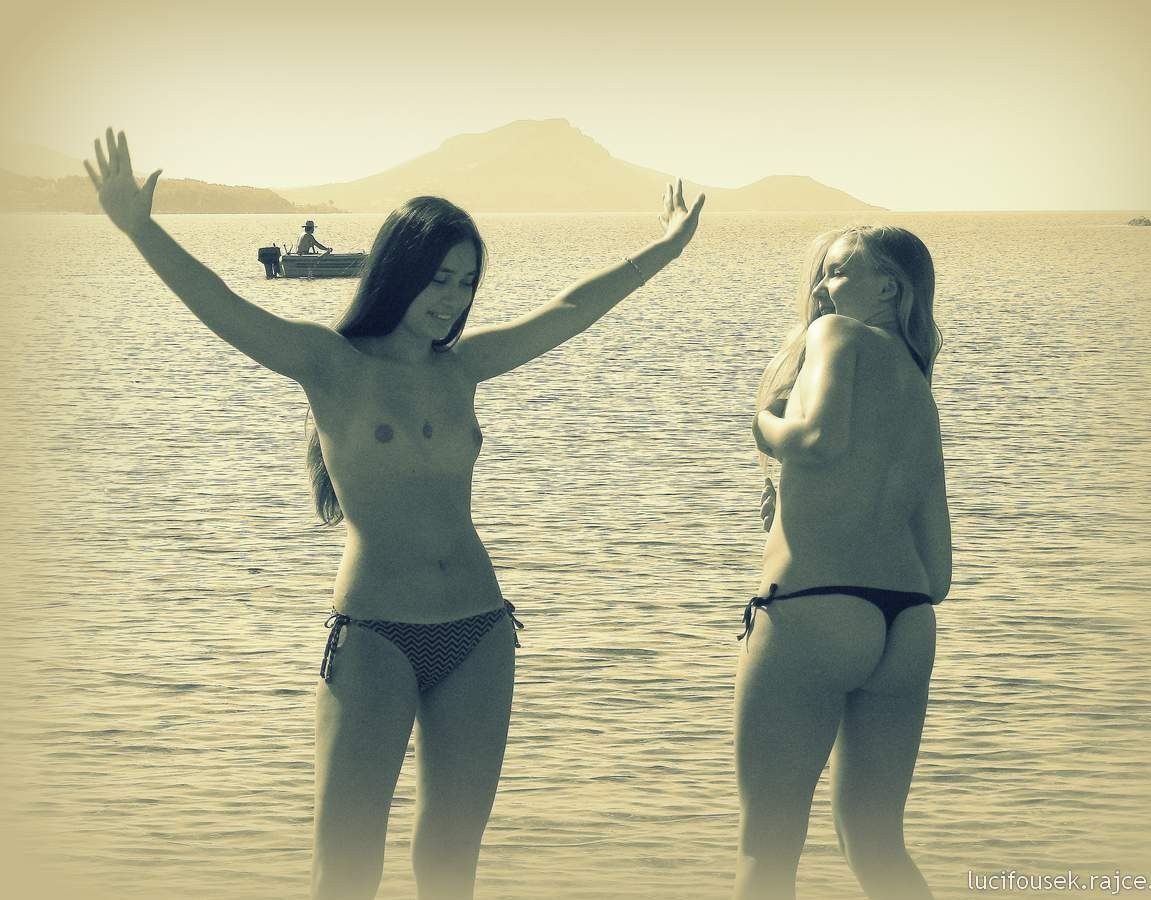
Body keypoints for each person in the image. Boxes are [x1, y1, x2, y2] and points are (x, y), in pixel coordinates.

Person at [85, 127, 705, 900]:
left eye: (466, 282)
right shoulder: (330, 364)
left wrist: (666, 248)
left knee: (450, 870)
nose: (453, 298)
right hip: (376, 634)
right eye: (439, 278)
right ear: (400, 272)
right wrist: (140, 229)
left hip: (480, 632)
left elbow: (574, 306)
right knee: (345, 873)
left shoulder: (464, 367)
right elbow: (223, 305)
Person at [735, 225, 951, 900]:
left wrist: (763, 423)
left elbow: (819, 439)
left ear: (888, 287)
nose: (823, 287)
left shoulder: (835, 336)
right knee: (877, 844)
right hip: (906, 623)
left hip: (814, 608)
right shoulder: (919, 385)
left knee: (767, 849)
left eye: (838, 272)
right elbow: (940, 572)